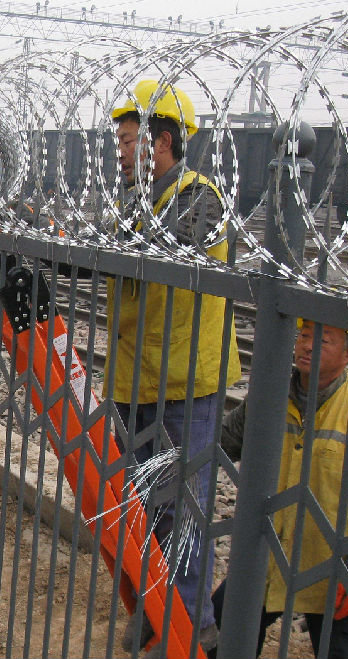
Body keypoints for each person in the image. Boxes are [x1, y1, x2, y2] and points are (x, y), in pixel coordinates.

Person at [109, 80, 242, 656]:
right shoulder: (137, 198)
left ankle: (191, 625)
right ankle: (161, 610)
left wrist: (112, 235)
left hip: (187, 383)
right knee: (150, 507)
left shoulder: (199, 196)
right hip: (137, 377)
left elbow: (162, 252)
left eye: (128, 140)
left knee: (184, 510)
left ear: (161, 141)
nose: (120, 151)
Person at [212, 320, 348, 658]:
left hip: (336, 567)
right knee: (220, 635)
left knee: (343, 650)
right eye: (303, 336)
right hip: (270, 555)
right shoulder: (268, 396)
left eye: (323, 341)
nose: (307, 346)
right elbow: (223, 446)